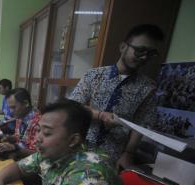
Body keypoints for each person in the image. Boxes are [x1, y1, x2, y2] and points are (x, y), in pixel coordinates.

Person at [68, 24, 164, 169]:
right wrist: (100, 115)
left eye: (151, 53)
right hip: (78, 148)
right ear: (123, 47)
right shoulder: (94, 75)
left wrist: (128, 154)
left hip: (111, 157)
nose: (144, 57)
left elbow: (141, 124)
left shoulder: (148, 88)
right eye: (140, 50)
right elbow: (72, 107)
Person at [0, 88, 41, 159]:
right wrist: (7, 137)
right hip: (19, 155)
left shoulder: (38, 123)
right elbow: (18, 137)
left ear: (26, 103)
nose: (11, 111)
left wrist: (15, 148)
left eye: (13, 107)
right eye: (9, 108)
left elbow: (38, 154)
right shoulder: (20, 116)